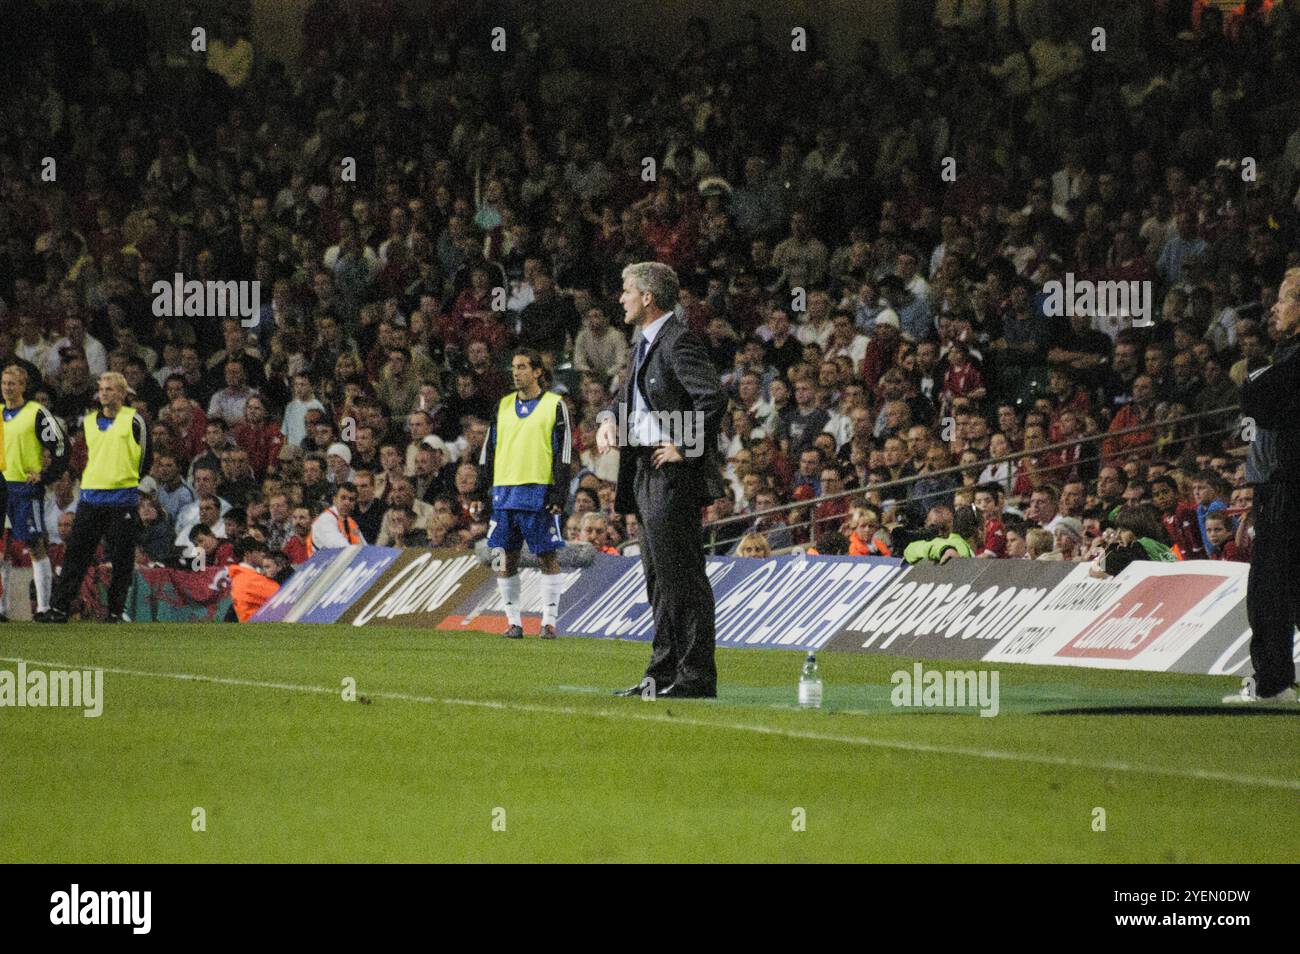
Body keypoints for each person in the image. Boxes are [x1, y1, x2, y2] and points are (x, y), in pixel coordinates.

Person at [598, 261, 726, 699]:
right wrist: (607, 420)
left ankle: (694, 677)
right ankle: (661, 674)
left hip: (671, 474)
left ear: (648, 298)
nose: (621, 299)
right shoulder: (644, 343)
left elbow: (712, 398)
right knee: (658, 578)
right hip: (644, 472)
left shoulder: (679, 341)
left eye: (626, 291)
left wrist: (685, 446)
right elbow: (624, 398)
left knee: (682, 576)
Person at [1229, 266, 1300, 704]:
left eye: (1286, 297)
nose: (1275, 307)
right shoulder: (1286, 359)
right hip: (1279, 488)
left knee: (1270, 587)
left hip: (1288, 490)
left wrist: (1252, 377)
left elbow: (1260, 399)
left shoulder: (1287, 366)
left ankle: (1272, 682)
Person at [40, 372, 152, 623]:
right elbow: (81, 457)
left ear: (123, 393)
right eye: (101, 389)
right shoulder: (89, 422)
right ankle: (59, 608)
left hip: (121, 499)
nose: (104, 393)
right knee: (76, 556)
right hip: (91, 499)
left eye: (110, 389)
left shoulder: (134, 420)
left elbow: (146, 458)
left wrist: (125, 479)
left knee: (121, 559)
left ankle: (115, 611)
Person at [481, 348, 572, 640]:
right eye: (513, 366)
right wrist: (484, 489)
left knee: (546, 554)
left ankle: (548, 621)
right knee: (505, 557)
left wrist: (558, 493)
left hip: (538, 490)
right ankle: (514, 622)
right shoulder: (503, 405)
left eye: (522, 367)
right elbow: (489, 449)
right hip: (504, 491)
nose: (516, 372)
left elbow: (564, 452)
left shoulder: (555, 405)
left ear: (537, 372)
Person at [1, 364, 68, 619]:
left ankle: (43, 607)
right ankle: (1, 609)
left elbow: (60, 445)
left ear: (23, 386)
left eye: (13, 383)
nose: (8, 387)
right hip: (2, 488)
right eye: (5, 383)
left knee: (35, 544)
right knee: (3, 549)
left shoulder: (36, 413)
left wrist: (46, 475)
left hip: (25, 489)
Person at [229, 536, 280, 621]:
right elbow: (280, 593)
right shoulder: (249, 579)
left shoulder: (238, 578)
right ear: (248, 555)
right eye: (258, 551)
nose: (262, 554)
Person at [306, 483, 364, 555]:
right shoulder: (325, 520)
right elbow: (342, 549)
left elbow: (365, 549)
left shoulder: (351, 523)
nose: (347, 502)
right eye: (343, 498)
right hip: (321, 565)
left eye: (351, 500)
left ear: (354, 504)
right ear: (334, 500)